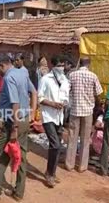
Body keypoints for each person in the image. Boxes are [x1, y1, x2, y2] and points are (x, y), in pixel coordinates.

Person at [0, 53, 37, 202]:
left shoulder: (9, 78)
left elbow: (15, 103)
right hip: (23, 120)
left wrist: (14, 129)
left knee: (0, 158)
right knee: (20, 157)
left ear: (2, 65)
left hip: (13, 123)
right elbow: (34, 92)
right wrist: (32, 114)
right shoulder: (22, 72)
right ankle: (18, 192)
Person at [65, 57, 103, 173]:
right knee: (85, 140)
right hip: (87, 111)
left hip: (75, 110)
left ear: (79, 63)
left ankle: (69, 164)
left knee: (72, 138)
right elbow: (98, 93)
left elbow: (66, 91)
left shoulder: (72, 75)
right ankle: (82, 166)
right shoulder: (93, 76)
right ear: (88, 64)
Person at [38, 55, 69, 187]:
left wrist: (63, 103)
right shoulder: (45, 79)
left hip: (59, 117)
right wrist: (52, 104)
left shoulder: (65, 81)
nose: (61, 68)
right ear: (53, 66)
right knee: (55, 144)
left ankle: (52, 172)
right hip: (48, 116)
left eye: (63, 65)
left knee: (56, 146)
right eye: (59, 65)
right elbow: (40, 97)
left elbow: (66, 97)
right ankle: (49, 175)